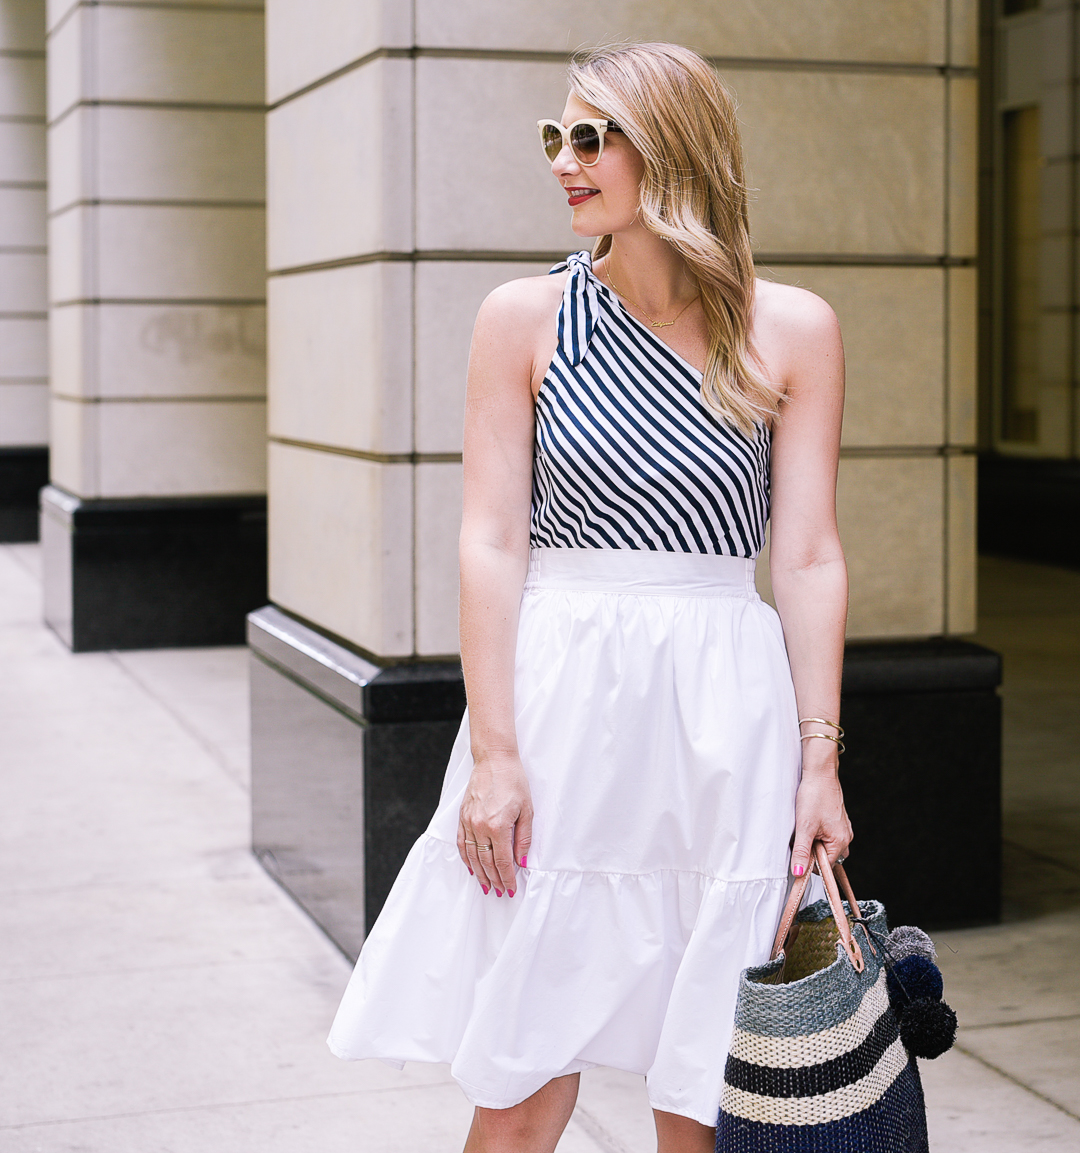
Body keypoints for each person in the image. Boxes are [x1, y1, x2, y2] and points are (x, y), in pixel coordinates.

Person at [328, 41, 852, 1153]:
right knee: (523, 1076)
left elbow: (805, 555)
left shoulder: (791, 328)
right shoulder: (525, 318)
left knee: (706, 1080)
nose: (563, 163)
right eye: (553, 138)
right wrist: (496, 755)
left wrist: (819, 759)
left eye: (589, 137)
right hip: (565, 698)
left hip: (725, 710)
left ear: (669, 150)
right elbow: (491, 541)